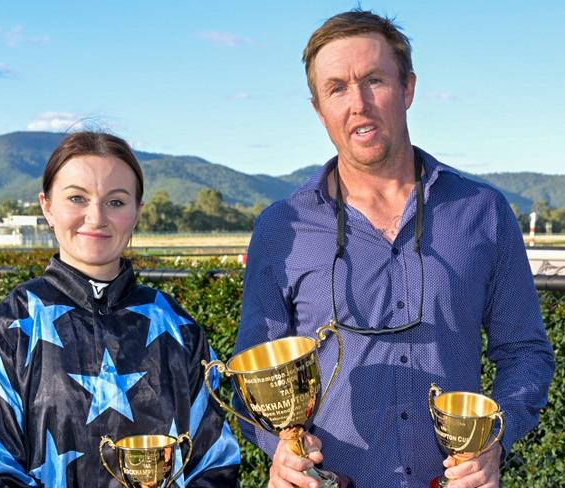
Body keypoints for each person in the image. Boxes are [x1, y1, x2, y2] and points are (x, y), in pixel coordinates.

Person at [235, 9, 555, 488]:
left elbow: (526, 351)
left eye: (374, 80)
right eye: (337, 88)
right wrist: (279, 450)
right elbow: (251, 374)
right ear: (319, 109)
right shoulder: (283, 228)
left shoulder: (483, 211)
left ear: (407, 89)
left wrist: (494, 439)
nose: (358, 103)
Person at [0, 131, 241, 487]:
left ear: (138, 211)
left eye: (116, 202)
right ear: (47, 206)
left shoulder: (176, 325)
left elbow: (216, 462)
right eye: (77, 198)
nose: (96, 217)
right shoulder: (8, 327)